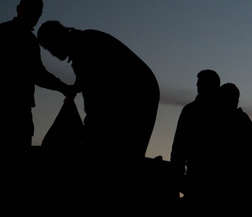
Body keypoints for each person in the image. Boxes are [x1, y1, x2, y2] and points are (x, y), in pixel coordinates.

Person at [37, 20, 160, 164]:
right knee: (121, 151)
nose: (52, 54)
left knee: (122, 153)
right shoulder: (85, 42)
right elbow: (90, 80)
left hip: (138, 95)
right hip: (141, 91)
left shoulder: (84, 48)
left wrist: (88, 133)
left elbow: (95, 98)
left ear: (57, 39)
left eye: (50, 47)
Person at [0, 0, 73, 154]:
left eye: (36, 13)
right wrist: (63, 87)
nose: (33, 17)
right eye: (29, 12)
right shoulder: (6, 34)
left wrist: (63, 87)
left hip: (21, 114)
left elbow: (38, 74)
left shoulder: (29, 40)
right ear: (19, 9)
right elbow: (39, 75)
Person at [171, 69, 221, 198]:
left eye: (202, 84)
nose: (199, 87)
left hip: (218, 179)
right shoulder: (190, 111)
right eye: (198, 85)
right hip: (195, 176)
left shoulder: (223, 112)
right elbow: (178, 148)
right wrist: (177, 178)